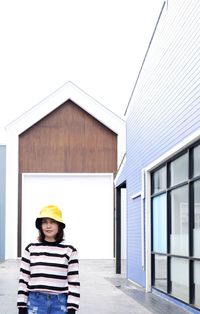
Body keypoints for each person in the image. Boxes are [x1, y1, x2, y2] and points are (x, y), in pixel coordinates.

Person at [17, 205, 80, 314]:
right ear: (40, 226)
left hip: (60, 303)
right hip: (35, 302)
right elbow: (24, 278)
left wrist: (72, 308)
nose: (48, 226)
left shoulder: (69, 250)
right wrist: (21, 305)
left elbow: (73, 281)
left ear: (59, 225)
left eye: (52, 222)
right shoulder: (30, 249)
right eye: (44, 222)